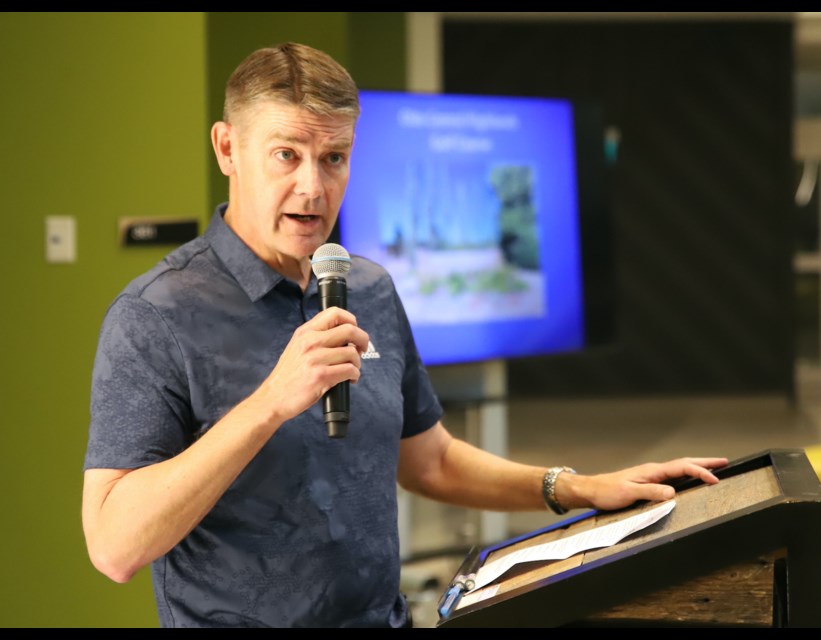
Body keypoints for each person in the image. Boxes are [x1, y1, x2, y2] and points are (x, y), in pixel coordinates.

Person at [81, 42, 728, 628]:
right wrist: (271, 401)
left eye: (334, 158)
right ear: (227, 149)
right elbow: (114, 546)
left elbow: (430, 459)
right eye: (287, 155)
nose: (313, 187)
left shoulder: (367, 288)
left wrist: (571, 487)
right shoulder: (154, 315)